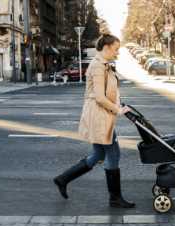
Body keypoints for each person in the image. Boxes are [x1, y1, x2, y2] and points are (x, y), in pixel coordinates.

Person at [53, 34, 135, 208]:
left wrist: (119, 104)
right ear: (106, 48)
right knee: (113, 155)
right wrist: (118, 109)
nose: (117, 53)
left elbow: (108, 93)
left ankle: (63, 179)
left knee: (99, 154)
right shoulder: (98, 66)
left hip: (101, 114)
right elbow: (99, 97)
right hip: (100, 116)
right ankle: (115, 198)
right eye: (115, 49)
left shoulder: (104, 65)